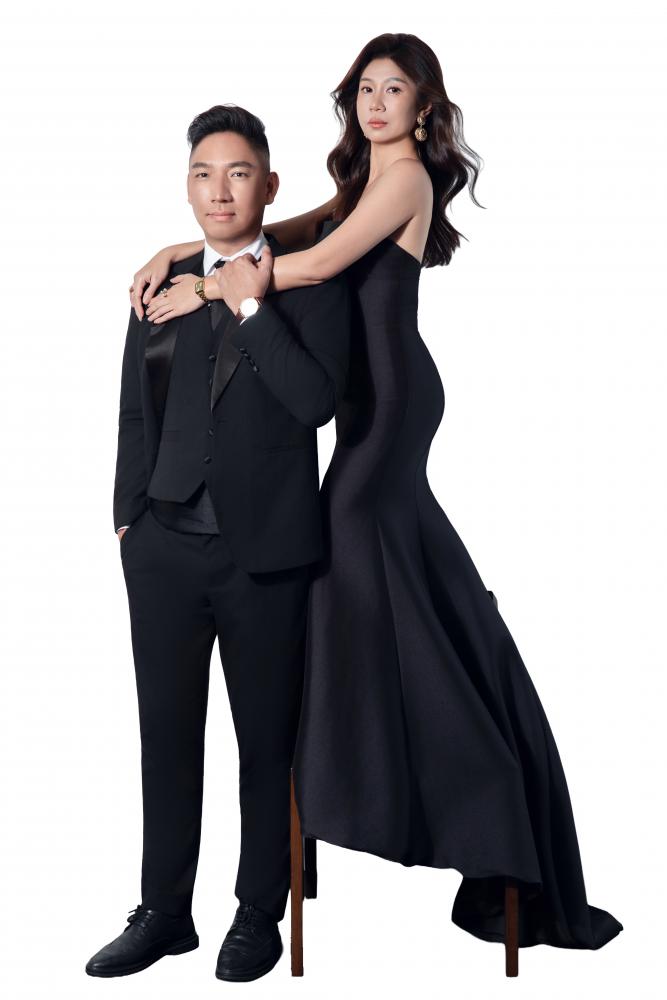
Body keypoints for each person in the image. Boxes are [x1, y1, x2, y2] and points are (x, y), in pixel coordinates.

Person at [129, 33, 623, 961]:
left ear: (425, 107)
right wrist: (184, 249)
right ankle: (375, 732)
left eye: (395, 89)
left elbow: (311, 265)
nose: (376, 102)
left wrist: (212, 286)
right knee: (374, 583)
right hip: (368, 401)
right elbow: (285, 232)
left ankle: (431, 753)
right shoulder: (365, 180)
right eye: (365, 87)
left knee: (351, 557)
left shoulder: (404, 180)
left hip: (387, 402)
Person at [85, 104, 350, 983]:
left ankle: (257, 911)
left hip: (265, 557)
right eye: (203, 174)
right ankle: (164, 912)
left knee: (265, 745)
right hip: (162, 547)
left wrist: (250, 306)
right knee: (165, 737)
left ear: (268, 186)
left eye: (238, 173)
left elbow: (316, 402)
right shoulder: (159, 284)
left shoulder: (311, 281)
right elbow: (134, 411)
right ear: (187, 188)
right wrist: (128, 518)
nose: (220, 190)